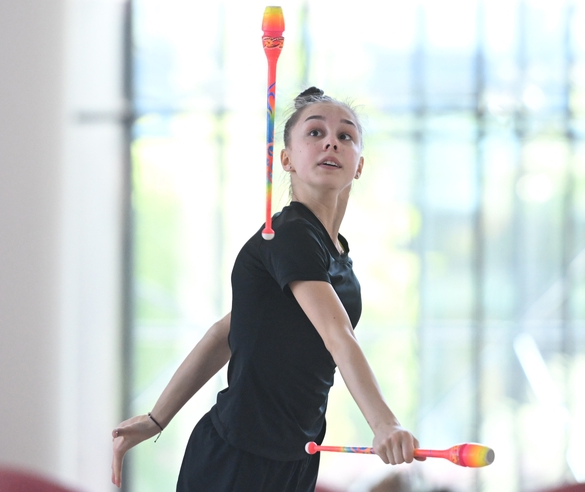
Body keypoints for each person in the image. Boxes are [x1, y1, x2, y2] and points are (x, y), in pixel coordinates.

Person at [111, 87, 422, 491]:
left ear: (359, 165)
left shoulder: (336, 254)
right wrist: (385, 423)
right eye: (315, 132)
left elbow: (225, 333)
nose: (331, 140)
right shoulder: (289, 234)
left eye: (345, 136)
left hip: (296, 458)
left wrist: (157, 417)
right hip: (235, 457)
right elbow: (337, 335)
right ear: (286, 159)